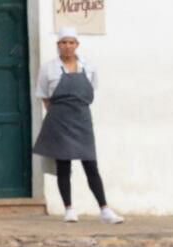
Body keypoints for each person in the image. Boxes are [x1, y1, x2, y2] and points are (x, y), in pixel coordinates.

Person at [35, 27, 123, 224]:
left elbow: (92, 90)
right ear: (58, 45)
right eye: (63, 42)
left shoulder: (88, 66)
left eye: (71, 42)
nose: (67, 46)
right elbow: (44, 96)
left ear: (76, 45)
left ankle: (105, 209)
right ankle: (69, 209)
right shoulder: (48, 68)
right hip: (59, 120)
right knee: (63, 165)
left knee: (90, 164)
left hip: (82, 119)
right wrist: (58, 114)